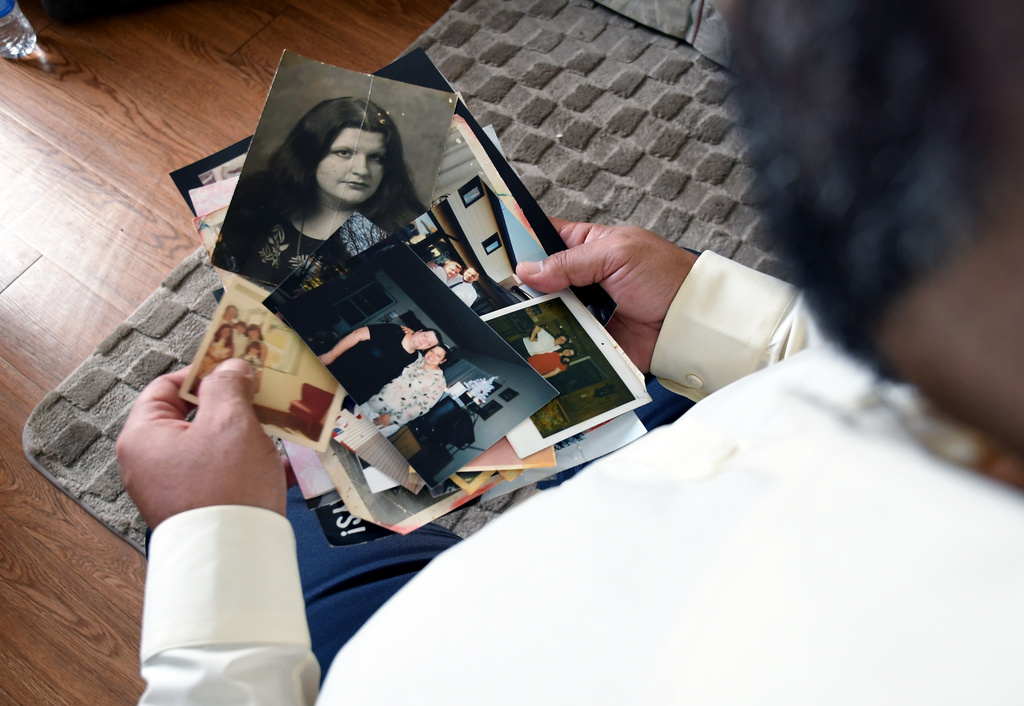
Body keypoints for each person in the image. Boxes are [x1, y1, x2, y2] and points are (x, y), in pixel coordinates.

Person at [118, 0, 1024, 701]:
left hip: (397, 648)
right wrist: (733, 325)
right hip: (732, 436)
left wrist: (213, 551)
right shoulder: (950, 337)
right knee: (600, 388)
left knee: (305, 524)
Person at [212, 97, 426, 286]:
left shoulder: (391, 233)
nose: (362, 170)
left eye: (376, 157)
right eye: (344, 153)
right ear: (311, 154)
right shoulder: (256, 198)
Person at [316, 323, 443, 405]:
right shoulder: (394, 331)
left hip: (355, 393)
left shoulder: (415, 359)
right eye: (425, 336)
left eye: (429, 344)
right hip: (338, 372)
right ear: (419, 331)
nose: (424, 342)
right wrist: (330, 355)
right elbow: (357, 334)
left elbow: (431, 367)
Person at [360, 345, 449, 436]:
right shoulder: (416, 359)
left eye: (438, 355)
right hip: (374, 403)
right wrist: (411, 332)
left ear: (443, 361)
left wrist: (392, 419)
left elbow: (422, 407)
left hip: (388, 420)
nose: (432, 355)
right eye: (431, 351)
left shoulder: (439, 382)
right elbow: (410, 343)